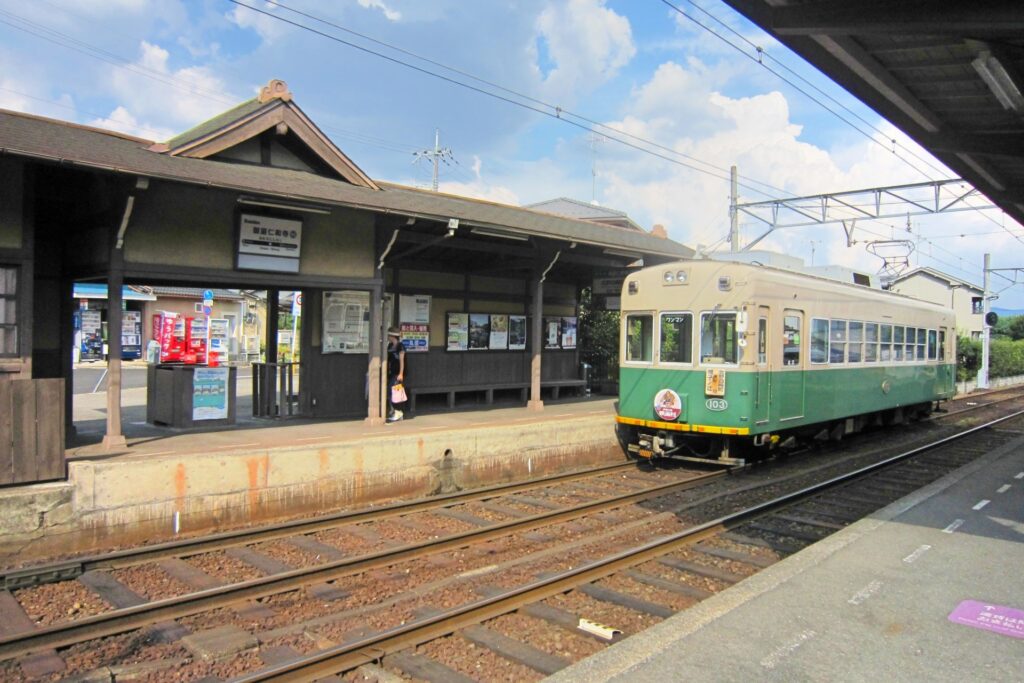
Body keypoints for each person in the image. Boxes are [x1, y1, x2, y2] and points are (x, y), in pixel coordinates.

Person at [386, 326, 406, 422]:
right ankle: (394, 411)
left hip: (397, 374)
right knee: (390, 392)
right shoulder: (389, 346)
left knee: (395, 392)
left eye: (389, 335)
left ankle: (398, 412)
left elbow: (402, 361)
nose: (387, 337)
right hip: (390, 372)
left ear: (393, 336)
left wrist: (401, 373)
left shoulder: (400, 346)